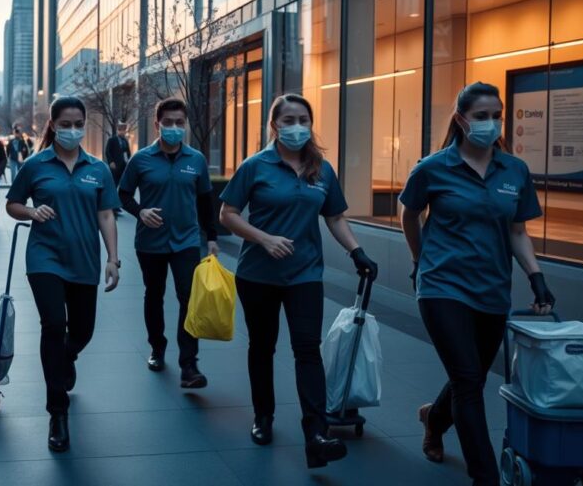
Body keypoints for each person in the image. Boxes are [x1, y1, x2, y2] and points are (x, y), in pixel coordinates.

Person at [400, 81, 553, 486]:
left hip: (491, 290)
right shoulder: (433, 168)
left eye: (497, 115)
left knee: (473, 376)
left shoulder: (514, 170)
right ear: (461, 120)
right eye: (482, 116)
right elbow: (408, 215)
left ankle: (433, 418)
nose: (491, 123)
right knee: (469, 382)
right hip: (441, 286)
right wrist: (420, 260)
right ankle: (485, 476)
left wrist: (536, 278)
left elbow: (517, 231)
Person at [219, 94, 377, 469]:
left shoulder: (321, 169)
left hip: (305, 274)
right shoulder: (255, 166)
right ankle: (263, 415)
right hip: (257, 274)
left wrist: (357, 252)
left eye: (303, 119)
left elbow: (335, 218)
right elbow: (227, 214)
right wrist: (264, 238)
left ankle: (316, 434)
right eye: (288, 120)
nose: (296, 127)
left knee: (308, 350)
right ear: (274, 125)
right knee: (262, 346)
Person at [5, 96, 120, 453]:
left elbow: (106, 216)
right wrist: (30, 211)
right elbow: (12, 204)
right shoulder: (36, 165)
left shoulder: (97, 169)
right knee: (53, 324)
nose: (72, 130)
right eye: (65, 124)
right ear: (53, 125)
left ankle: (65, 357)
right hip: (45, 259)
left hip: (84, 260)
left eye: (78, 124)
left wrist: (114, 259)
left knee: (81, 332)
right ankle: (57, 411)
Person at [118, 97, 219, 388]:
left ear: (184, 124)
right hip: (150, 242)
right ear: (157, 124)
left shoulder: (196, 160)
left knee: (189, 298)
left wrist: (211, 237)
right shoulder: (141, 159)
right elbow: (122, 194)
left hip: (186, 241)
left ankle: (189, 364)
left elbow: (204, 202)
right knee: (154, 294)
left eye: (179, 122)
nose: (174, 127)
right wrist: (141, 211)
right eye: (169, 122)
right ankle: (157, 348)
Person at [105, 122, 131, 214]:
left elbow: (128, 153)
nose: (123, 132)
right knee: (113, 186)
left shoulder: (125, 140)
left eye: (124, 130)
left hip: (123, 166)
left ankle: (117, 206)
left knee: (121, 186)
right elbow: (107, 152)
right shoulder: (112, 140)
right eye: (121, 130)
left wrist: (128, 162)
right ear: (118, 130)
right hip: (115, 166)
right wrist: (111, 162)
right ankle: (112, 207)